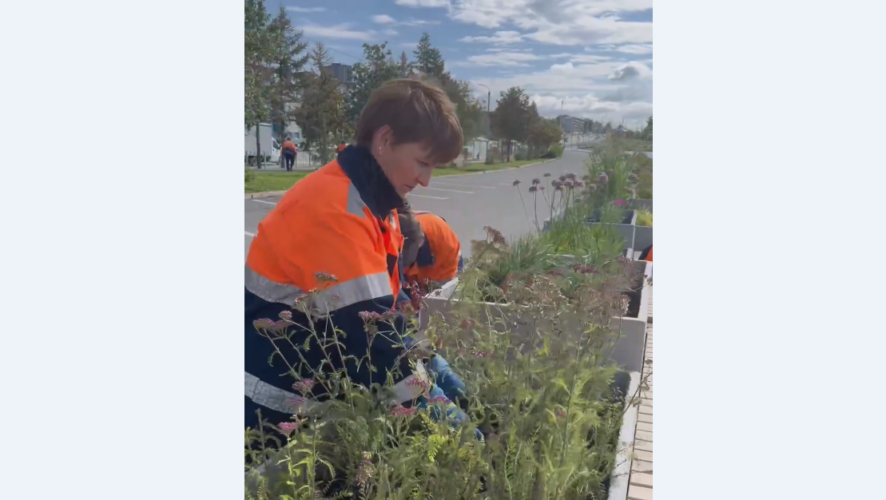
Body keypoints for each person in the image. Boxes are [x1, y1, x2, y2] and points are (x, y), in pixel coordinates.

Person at [245, 79, 469, 434]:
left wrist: (444, 376)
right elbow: (378, 348)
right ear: (384, 140)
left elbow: (386, 319)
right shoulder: (336, 211)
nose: (426, 180)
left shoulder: (378, 207)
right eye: (422, 163)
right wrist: (457, 428)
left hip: (317, 400)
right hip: (274, 418)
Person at [399, 210, 463, 293]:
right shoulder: (392, 231)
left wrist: (425, 293)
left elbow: (441, 287)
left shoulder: (444, 242)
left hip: (444, 268)